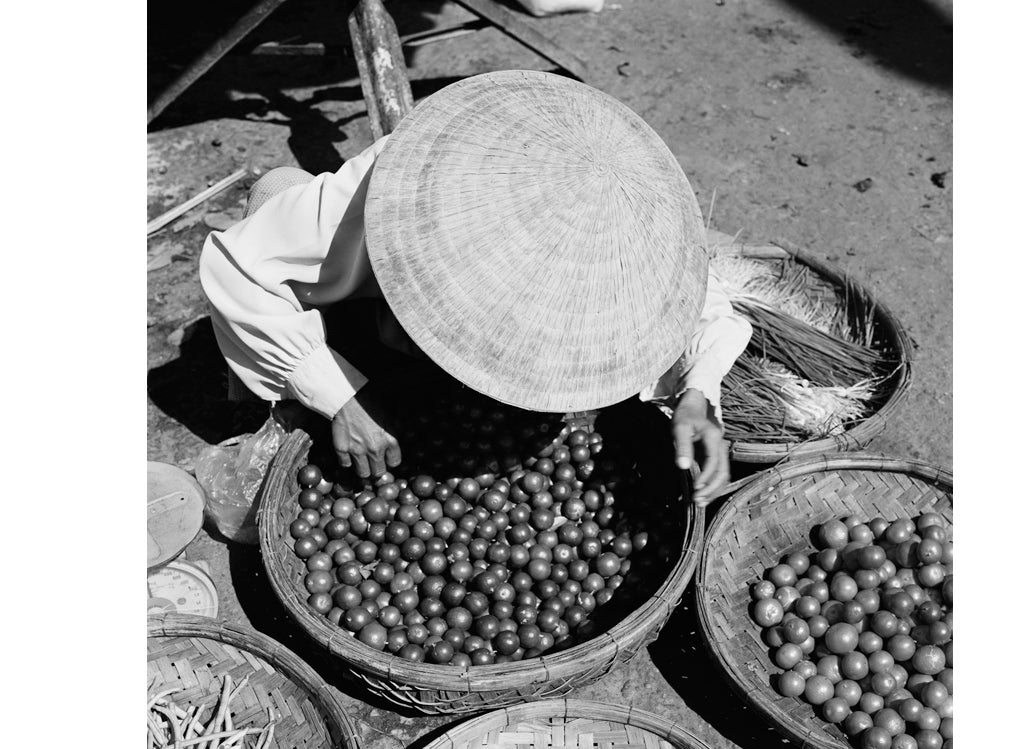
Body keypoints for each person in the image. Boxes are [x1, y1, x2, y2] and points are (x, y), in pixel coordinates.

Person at [200, 71, 751, 505]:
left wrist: (696, 391)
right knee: (277, 190)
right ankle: (307, 390)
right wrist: (340, 396)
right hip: (365, 278)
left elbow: (698, 306)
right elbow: (235, 266)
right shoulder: (391, 192)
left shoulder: (632, 224)